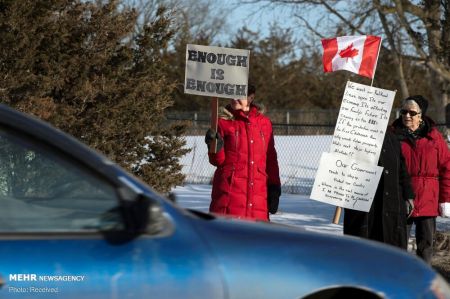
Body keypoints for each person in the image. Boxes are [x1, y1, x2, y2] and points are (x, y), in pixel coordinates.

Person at [205, 84, 281, 221]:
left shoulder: (265, 123)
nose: (234, 98)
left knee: (256, 240)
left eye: (238, 95)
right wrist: (215, 146)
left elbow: (270, 158)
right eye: (231, 94)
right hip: (229, 196)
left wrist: (275, 186)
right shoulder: (222, 122)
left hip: (258, 198)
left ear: (251, 97)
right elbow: (217, 161)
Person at [392, 95, 450, 263]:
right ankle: (398, 280)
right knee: (398, 244)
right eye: (404, 111)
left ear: (421, 115)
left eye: (412, 112)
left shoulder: (434, 138)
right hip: (401, 198)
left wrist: (445, 199)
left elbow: (447, 168)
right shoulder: (392, 136)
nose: (407, 116)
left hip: (428, 199)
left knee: (425, 246)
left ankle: (423, 281)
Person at [343, 130, 415, 249]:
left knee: (391, 251)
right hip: (362, 207)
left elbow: (402, 170)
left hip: (391, 206)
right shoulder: (352, 134)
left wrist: (408, 195)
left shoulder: (392, 138)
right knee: (363, 251)